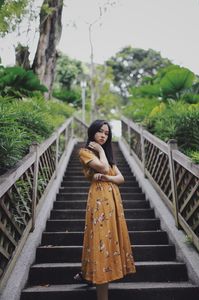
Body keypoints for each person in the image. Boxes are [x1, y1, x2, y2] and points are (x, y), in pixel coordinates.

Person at [75, 119, 136, 300]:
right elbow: (102, 167)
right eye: (100, 131)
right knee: (100, 242)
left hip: (113, 200)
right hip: (99, 201)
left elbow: (121, 178)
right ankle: (94, 278)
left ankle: (88, 274)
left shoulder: (108, 156)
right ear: (93, 132)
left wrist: (108, 178)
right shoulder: (84, 152)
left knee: (109, 242)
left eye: (107, 133)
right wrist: (101, 152)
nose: (103, 135)